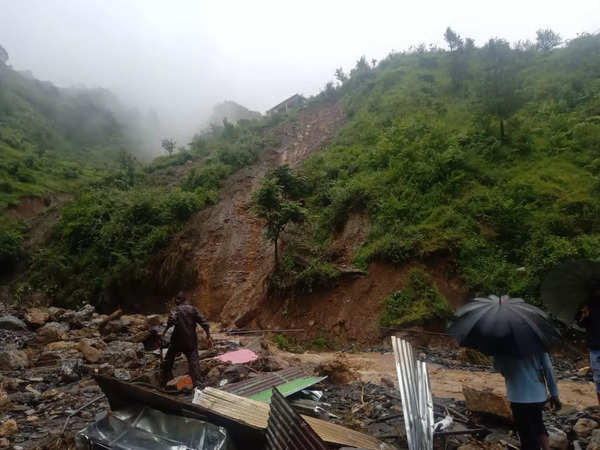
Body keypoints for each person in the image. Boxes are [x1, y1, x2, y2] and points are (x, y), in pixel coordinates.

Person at [493, 352, 561, 450]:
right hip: (537, 394)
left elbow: (498, 367)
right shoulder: (537, 342)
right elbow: (548, 369)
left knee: (526, 432)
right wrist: (554, 393)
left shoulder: (502, 345)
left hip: (517, 396)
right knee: (538, 422)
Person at [160, 292, 213, 388]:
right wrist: (208, 336)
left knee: (169, 360)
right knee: (193, 362)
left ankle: (166, 381)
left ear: (178, 300)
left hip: (176, 340)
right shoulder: (193, 309)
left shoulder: (175, 310)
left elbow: (171, 321)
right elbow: (204, 323)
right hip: (190, 341)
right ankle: (197, 383)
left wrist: (163, 333)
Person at [576, 282, 600, 405]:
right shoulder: (586, 305)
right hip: (595, 346)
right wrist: (584, 315)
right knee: (598, 377)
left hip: (595, 345)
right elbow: (580, 324)